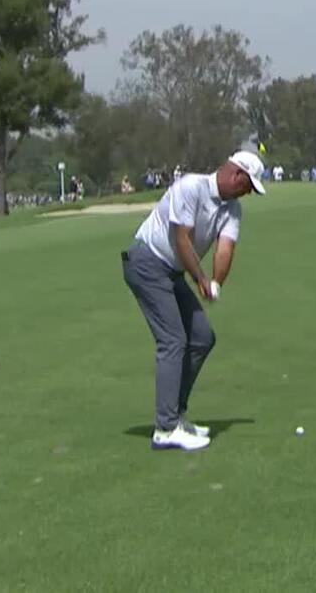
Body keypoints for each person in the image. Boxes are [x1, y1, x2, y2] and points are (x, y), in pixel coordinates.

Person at [122, 151, 265, 451]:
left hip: (171, 272)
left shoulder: (232, 209)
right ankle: (165, 429)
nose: (248, 192)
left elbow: (225, 248)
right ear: (236, 174)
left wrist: (216, 283)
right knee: (173, 340)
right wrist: (200, 277)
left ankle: (176, 415)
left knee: (201, 338)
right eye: (248, 185)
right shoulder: (191, 187)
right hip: (146, 263)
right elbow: (181, 239)